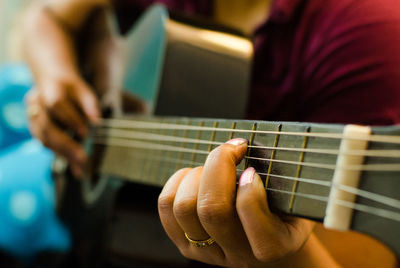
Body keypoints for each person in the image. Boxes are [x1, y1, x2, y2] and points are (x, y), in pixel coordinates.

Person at [23, 0, 400, 267]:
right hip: (91, 218)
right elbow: (44, 18)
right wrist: (55, 77)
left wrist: (283, 259)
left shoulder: (370, 32)